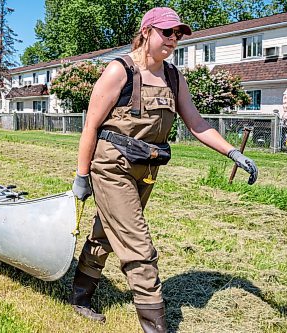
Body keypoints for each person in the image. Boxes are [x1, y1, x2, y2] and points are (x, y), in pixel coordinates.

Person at [70, 7, 258, 333]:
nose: (173, 40)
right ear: (146, 32)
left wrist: (232, 152)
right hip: (112, 167)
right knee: (139, 247)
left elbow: (196, 123)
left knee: (106, 235)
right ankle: (156, 327)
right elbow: (91, 125)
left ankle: (79, 298)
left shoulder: (173, 77)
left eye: (178, 34)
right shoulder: (119, 71)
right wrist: (82, 175)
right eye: (167, 33)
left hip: (145, 169)